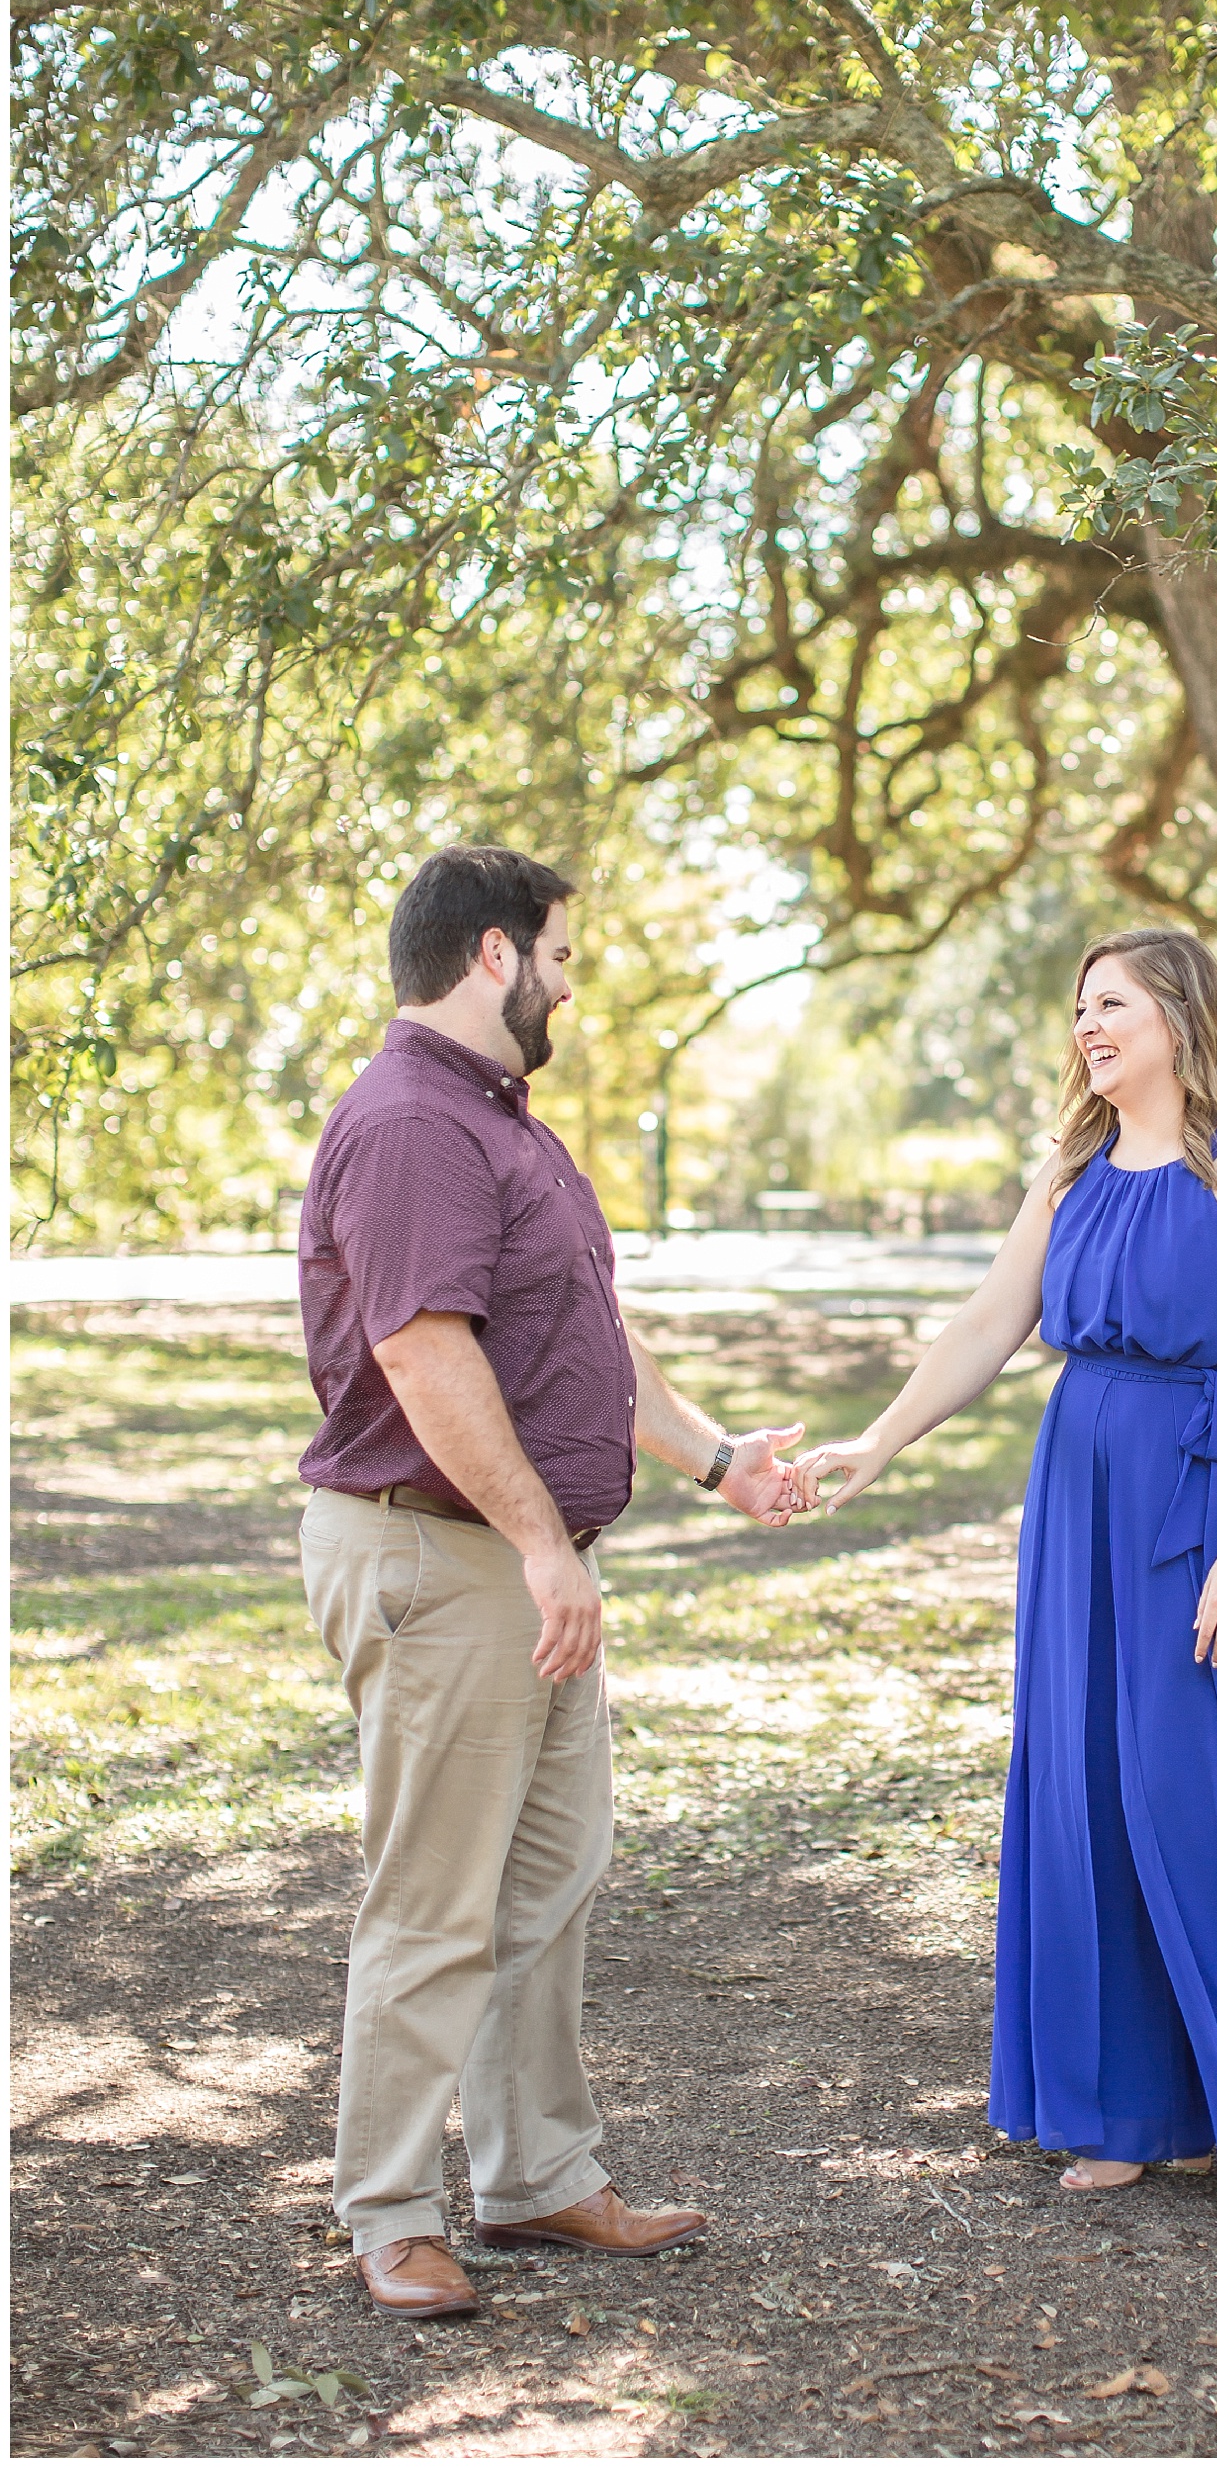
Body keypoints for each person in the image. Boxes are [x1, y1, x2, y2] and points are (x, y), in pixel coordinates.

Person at [297, 844, 807, 2317]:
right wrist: (534, 1545)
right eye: (564, 956)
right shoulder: (408, 1125)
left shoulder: (504, 1125)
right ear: (498, 956)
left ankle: (533, 2176)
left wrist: (721, 1462)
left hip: (526, 1564)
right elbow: (422, 1350)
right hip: (445, 1558)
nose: (574, 982)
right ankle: (390, 2208)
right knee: (435, 1898)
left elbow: (592, 1331)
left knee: (548, 1885)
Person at [797, 926, 1217, 2190]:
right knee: (1084, 1783)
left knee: (1191, 1787)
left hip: (1201, 1498)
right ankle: (1124, 2110)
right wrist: (881, 1441)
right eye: (1078, 1007)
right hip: (1079, 1495)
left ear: (1179, 1013)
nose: (1086, 1026)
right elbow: (991, 1320)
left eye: (1109, 1001)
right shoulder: (1071, 1168)